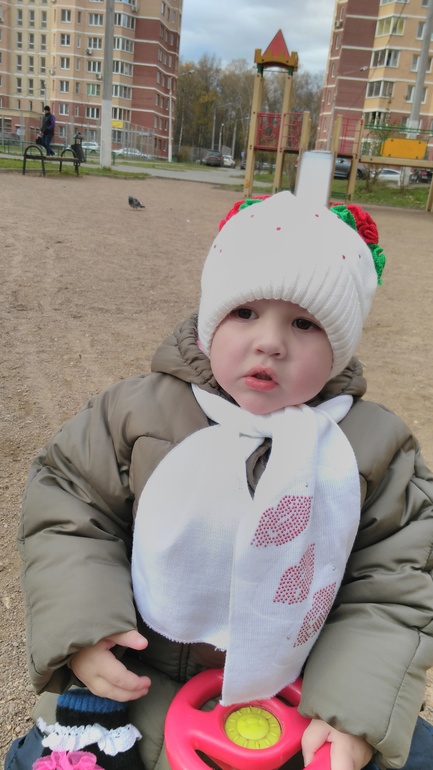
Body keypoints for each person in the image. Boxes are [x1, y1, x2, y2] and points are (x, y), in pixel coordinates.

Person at [5, 192, 433, 770]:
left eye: (304, 323)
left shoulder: (372, 448)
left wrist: (352, 707)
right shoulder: (136, 413)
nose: (270, 342)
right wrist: (85, 629)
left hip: (306, 691)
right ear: (211, 319)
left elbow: (395, 583)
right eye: (245, 313)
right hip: (136, 674)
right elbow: (70, 509)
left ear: (340, 347)